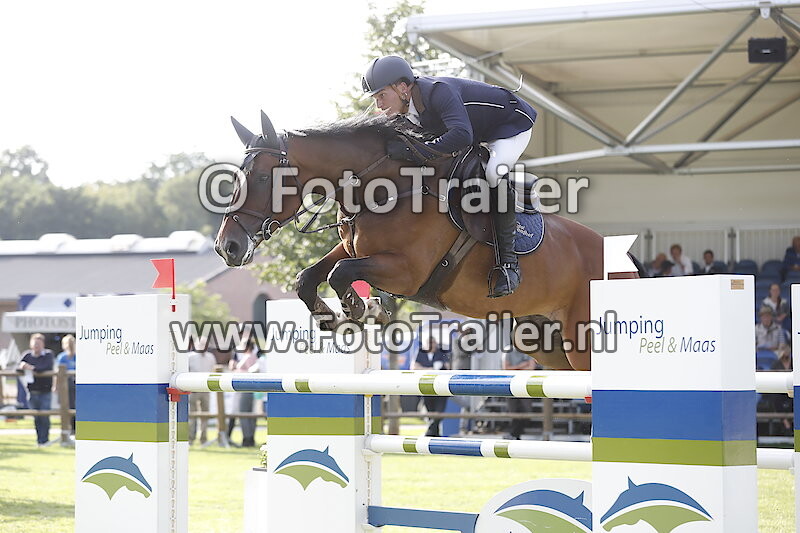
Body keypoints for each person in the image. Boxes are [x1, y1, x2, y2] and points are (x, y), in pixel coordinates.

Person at [362, 55, 538, 298]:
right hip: (477, 131)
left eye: (382, 95)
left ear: (402, 87)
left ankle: (509, 266)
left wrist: (414, 151)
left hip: (509, 125)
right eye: (375, 98)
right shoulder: (406, 111)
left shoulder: (438, 92)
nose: (379, 105)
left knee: (493, 173)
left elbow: (462, 135)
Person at [17, 333, 55, 446]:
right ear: (31, 344)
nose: (36, 346)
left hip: (45, 391)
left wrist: (30, 367)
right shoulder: (27, 355)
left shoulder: (48, 355)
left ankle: (45, 440)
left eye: (38, 343)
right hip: (32, 391)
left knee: (44, 416)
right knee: (36, 417)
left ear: (43, 344)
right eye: (35, 343)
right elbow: (18, 368)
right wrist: (22, 366)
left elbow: (45, 367)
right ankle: (39, 440)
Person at [412, 337, 450, 436]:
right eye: (429, 343)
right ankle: (435, 434)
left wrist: (441, 366)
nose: (431, 345)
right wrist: (429, 369)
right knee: (430, 412)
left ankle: (429, 432)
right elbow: (414, 367)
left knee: (439, 412)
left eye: (433, 343)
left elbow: (448, 366)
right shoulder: (421, 352)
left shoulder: (441, 352)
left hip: (441, 388)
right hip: (427, 387)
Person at [502, 347, 536, 440]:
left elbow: (531, 368)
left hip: (525, 385)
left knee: (526, 410)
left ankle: (514, 434)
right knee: (513, 411)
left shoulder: (529, 351)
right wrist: (522, 366)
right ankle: (515, 434)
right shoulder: (508, 351)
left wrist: (515, 368)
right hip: (511, 384)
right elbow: (506, 368)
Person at [187, 338, 217, 445]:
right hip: (193, 389)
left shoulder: (210, 357)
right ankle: (190, 438)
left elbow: (213, 371)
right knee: (192, 415)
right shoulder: (190, 357)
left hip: (206, 389)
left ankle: (203, 438)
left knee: (205, 415)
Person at [55, 334, 77, 435]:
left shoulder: (77, 357)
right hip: (66, 384)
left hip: (75, 384)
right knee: (68, 406)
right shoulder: (62, 357)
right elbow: (58, 372)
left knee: (75, 406)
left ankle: (74, 428)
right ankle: (70, 428)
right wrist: (55, 386)